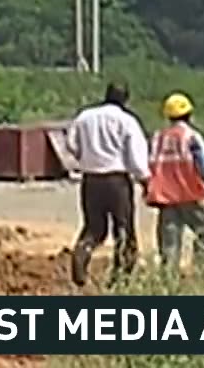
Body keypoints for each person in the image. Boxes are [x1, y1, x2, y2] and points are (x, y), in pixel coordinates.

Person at [63, 81, 150, 287]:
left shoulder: (85, 116)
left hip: (91, 180)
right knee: (124, 231)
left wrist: (84, 157)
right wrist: (144, 179)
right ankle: (119, 279)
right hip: (117, 181)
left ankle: (81, 255)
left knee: (93, 228)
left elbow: (70, 143)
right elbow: (136, 156)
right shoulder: (127, 121)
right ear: (126, 99)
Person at [146, 92, 204, 277]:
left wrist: (148, 190)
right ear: (189, 114)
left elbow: (149, 166)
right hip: (190, 195)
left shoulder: (158, 138)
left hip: (166, 198)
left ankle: (169, 279)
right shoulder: (191, 136)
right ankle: (202, 273)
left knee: (169, 242)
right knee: (203, 232)